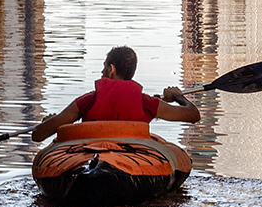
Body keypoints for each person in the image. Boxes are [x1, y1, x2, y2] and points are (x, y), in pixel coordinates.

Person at [32, 46, 198, 141]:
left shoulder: (88, 101)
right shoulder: (147, 103)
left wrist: (53, 124)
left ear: (111, 69)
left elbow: (38, 135)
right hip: (134, 164)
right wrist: (178, 96)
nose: (101, 71)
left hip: (91, 160)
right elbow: (193, 114)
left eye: (104, 66)